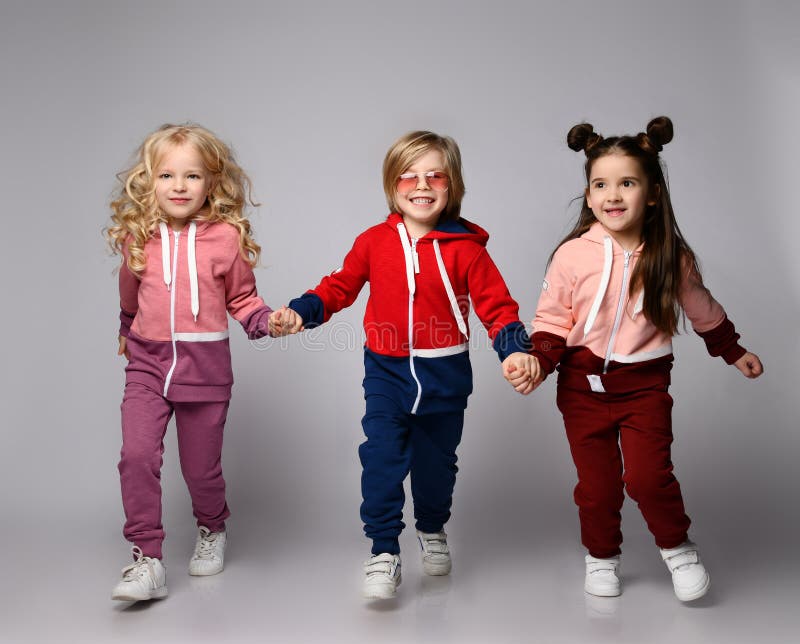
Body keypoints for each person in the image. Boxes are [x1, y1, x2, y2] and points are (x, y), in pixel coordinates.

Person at [271, 130, 536, 599]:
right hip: (386, 372)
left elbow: (497, 308)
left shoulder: (468, 250)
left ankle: (432, 528)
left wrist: (514, 348)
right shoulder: (374, 242)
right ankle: (384, 550)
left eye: (435, 175)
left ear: (452, 185)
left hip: (446, 376)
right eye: (408, 176)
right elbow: (339, 287)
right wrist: (303, 310)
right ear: (391, 185)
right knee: (382, 459)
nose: (421, 185)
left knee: (436, 468)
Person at [516, 116, 763, 602]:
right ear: (588, 196)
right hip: (582, 390)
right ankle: (602, 557)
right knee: (598, 487)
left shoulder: (670, 256)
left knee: (648, 478)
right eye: (601, 185)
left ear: (651, 193)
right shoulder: (571, 255)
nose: (613, 195)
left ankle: (678, 549)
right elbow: (551, 321)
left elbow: (702, 307)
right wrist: (539, 364)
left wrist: (734, 351)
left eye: (626, 183)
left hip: (644, 388)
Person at [105, 123, 274, 601]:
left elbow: (243, 299)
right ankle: (146, 560)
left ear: (211, 183)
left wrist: (266, 322)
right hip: (147, 365)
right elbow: (130, 297)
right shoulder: (137, 238)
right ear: (148, 182)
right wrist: (125, 331)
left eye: (192, 176)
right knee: (135, 457)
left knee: (201, 471)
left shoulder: (225, 240)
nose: (179, 186)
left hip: (206, 372)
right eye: (166, 176)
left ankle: (212, 526)